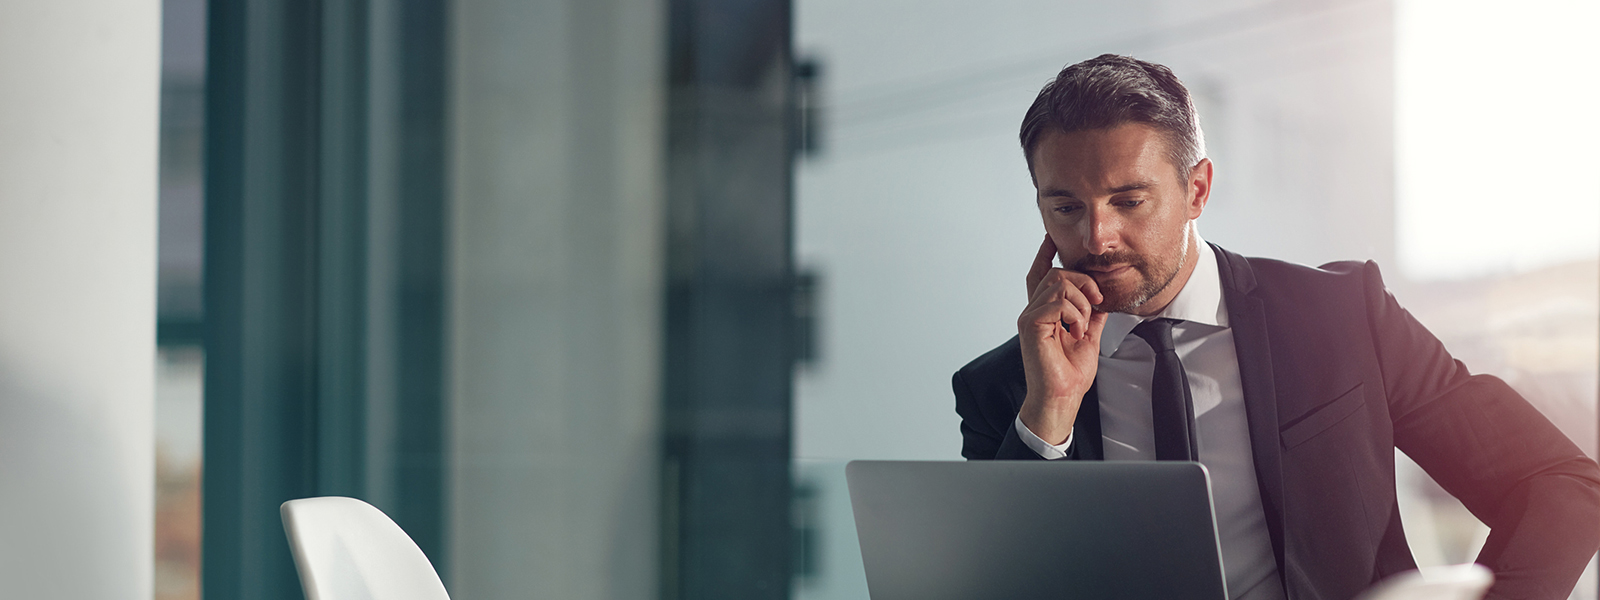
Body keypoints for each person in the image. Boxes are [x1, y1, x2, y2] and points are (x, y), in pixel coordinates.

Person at [952, 54, 1600, 600]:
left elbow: (1559, 482)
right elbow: (994, 585)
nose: (1096, 237)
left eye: (1129, 201)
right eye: (1065, 206)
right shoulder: (1006, 389)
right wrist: (1050, 414)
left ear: (1197, 191)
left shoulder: (1342, 317)